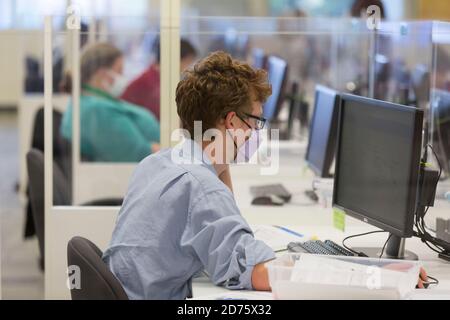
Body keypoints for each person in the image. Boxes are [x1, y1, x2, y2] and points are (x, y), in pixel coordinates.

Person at [102, 51, 276, 299]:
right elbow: (259, 274)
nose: (255, 133)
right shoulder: (202, 188)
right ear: (232, 122)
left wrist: (223, 159)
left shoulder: (156, 163)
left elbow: (223, 222)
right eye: (256, 122)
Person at [60, 43, 160, 162]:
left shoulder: (89, 101)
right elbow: (136, 153)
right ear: (102, 73)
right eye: (119, 71)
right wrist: (164, 150)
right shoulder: (98, 111)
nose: (123, 77)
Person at [120, 38, 198, 120]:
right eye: (187, 61)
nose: (187, 67)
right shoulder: (148, 83)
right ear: (174, 59)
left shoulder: (160, 79)